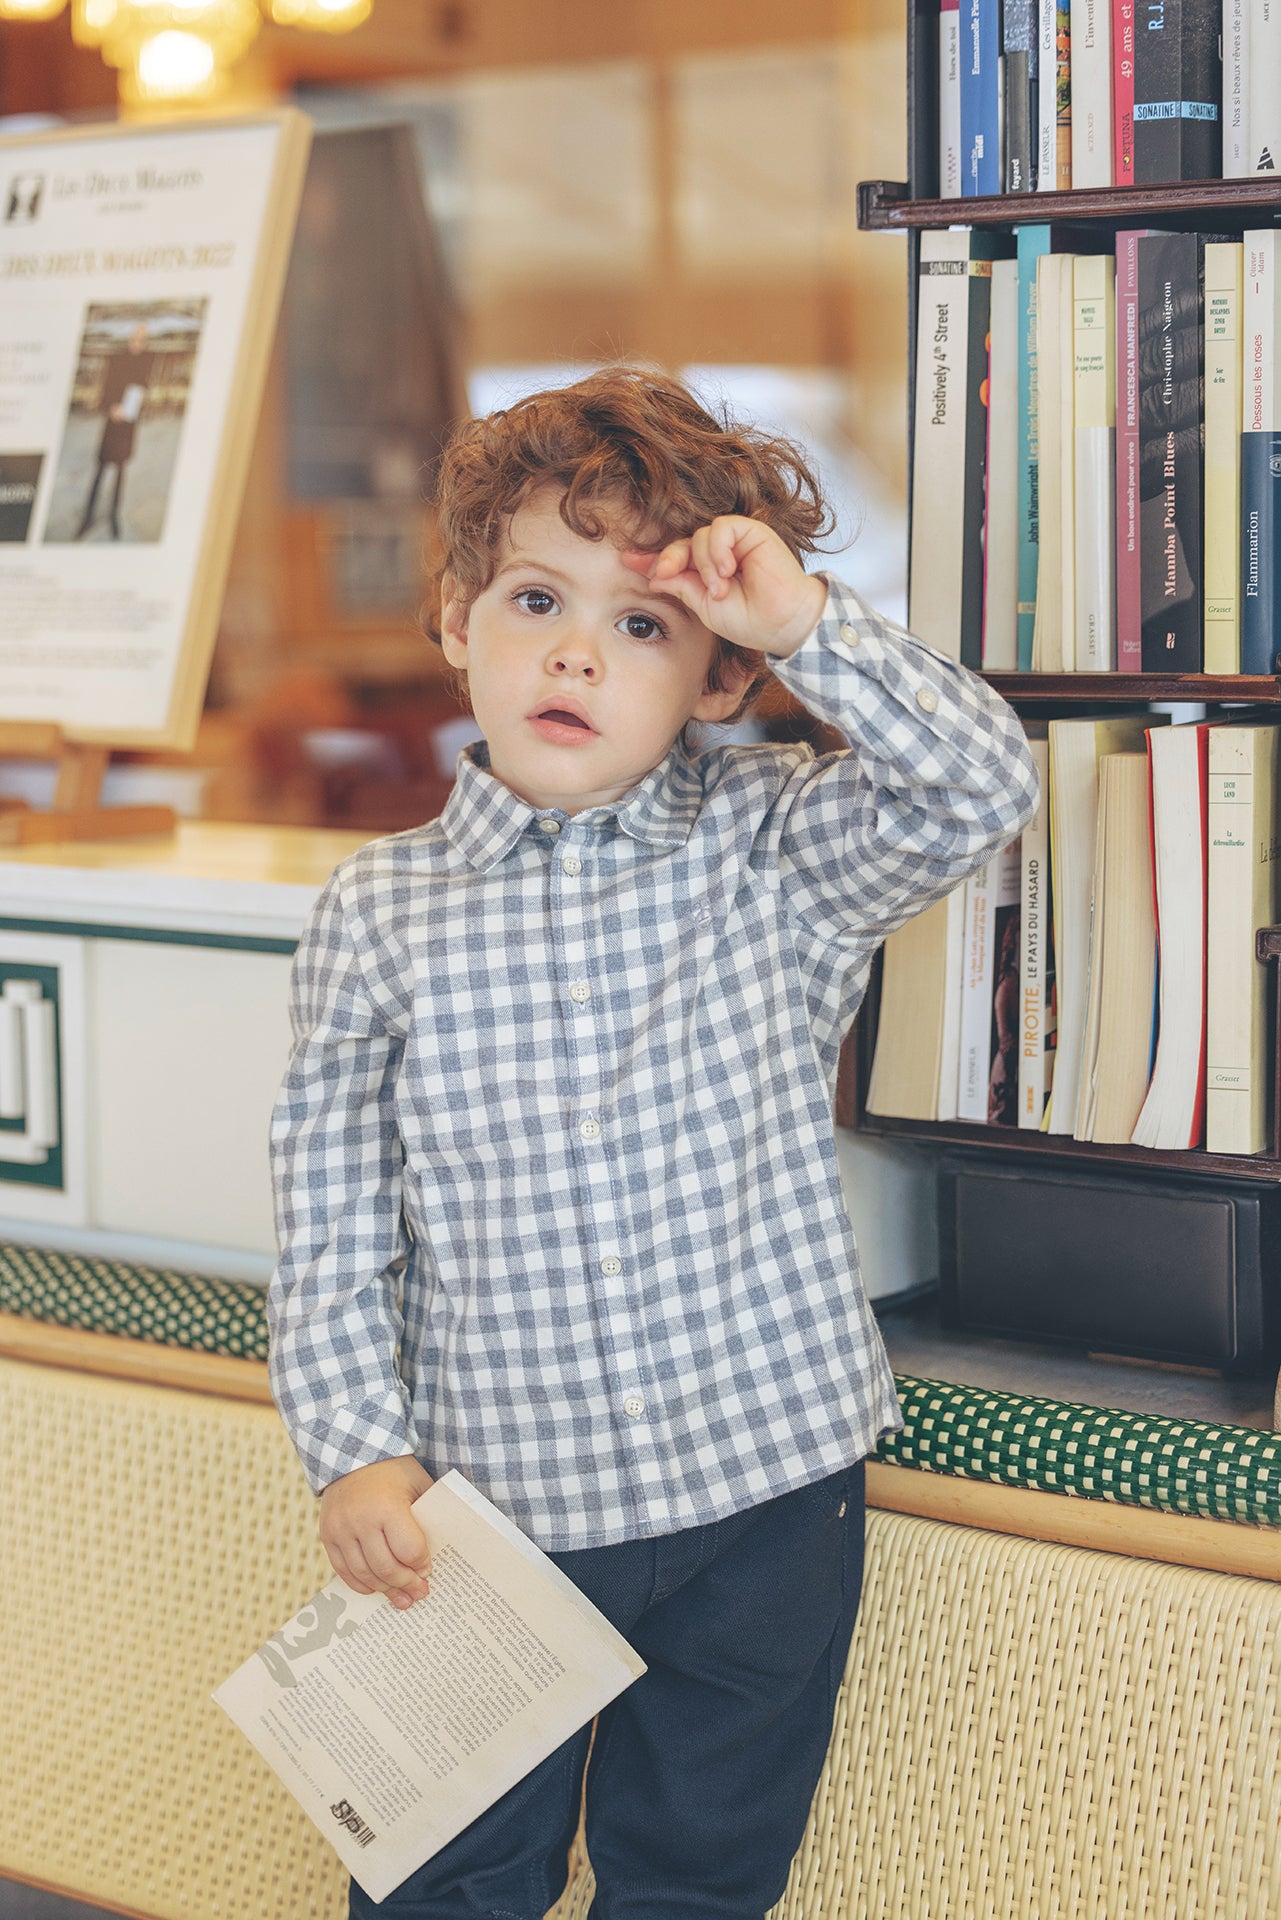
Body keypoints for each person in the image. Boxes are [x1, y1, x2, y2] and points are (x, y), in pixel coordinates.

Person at [268, 367, 1039, 1920]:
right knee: (436, 1880)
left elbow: (982, 785)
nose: (573, 648)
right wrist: (353, 1445)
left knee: (701, 1876)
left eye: (642, 624)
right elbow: (329, 1215)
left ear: (713, 677)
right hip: (486, 1517)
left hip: (766, 1497)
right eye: (536, 597)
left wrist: (803, 618)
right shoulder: (377, 916)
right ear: (453, 625)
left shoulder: (776, 847)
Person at [73, 319, 154, 541]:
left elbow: (144, 388)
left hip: (129, 426)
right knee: (100, 471)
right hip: (113, 422)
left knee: (121, 473)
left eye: (143, 339)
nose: (139, 342)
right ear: (130, 338)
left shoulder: (146, 362)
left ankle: (113, 517)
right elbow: (106, 388)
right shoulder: (116, 360)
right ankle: (88, 517)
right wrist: (111, 407)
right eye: (137, 338)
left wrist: (144, 398)